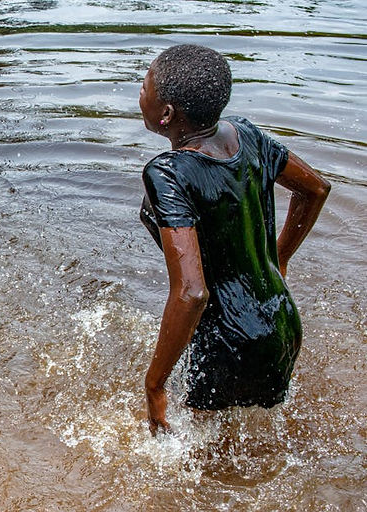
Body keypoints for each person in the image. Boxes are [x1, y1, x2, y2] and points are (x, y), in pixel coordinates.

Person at [137, 44, 330, 436]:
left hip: (227, 340)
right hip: (281, 320)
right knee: (260, 443)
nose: (139, 93)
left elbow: (191, 293)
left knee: (202, 459)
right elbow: (317, 190)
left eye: (145, 87)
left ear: (166, 114)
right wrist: (278, 260)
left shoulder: (167, 174)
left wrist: (154, 384)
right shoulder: (246, 134)